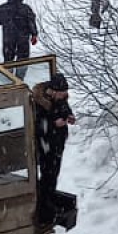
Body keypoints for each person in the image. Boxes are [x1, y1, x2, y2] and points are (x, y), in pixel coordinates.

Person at [32, 72, 75, 223]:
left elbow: (65, 109)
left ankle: (49, 201)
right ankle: (44, 207)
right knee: (47, 176)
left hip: (57, 144)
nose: (64, 97)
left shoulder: (61, 100)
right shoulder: (41, 104)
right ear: (53, 91)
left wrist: (69, 116)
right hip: (46, 145)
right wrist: (54, 125)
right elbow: (39, 127)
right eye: (62, 94)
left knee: (53, 175)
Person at [0, 0, 39, 64]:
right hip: (23, 39)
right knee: (23, 60)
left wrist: (7, 23)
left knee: (8, 60)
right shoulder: (25, 8)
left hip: (8, 38)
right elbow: (31, 22)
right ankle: (19, 75)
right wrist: (34, 34)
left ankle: (7, 75)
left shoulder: (2, 8)